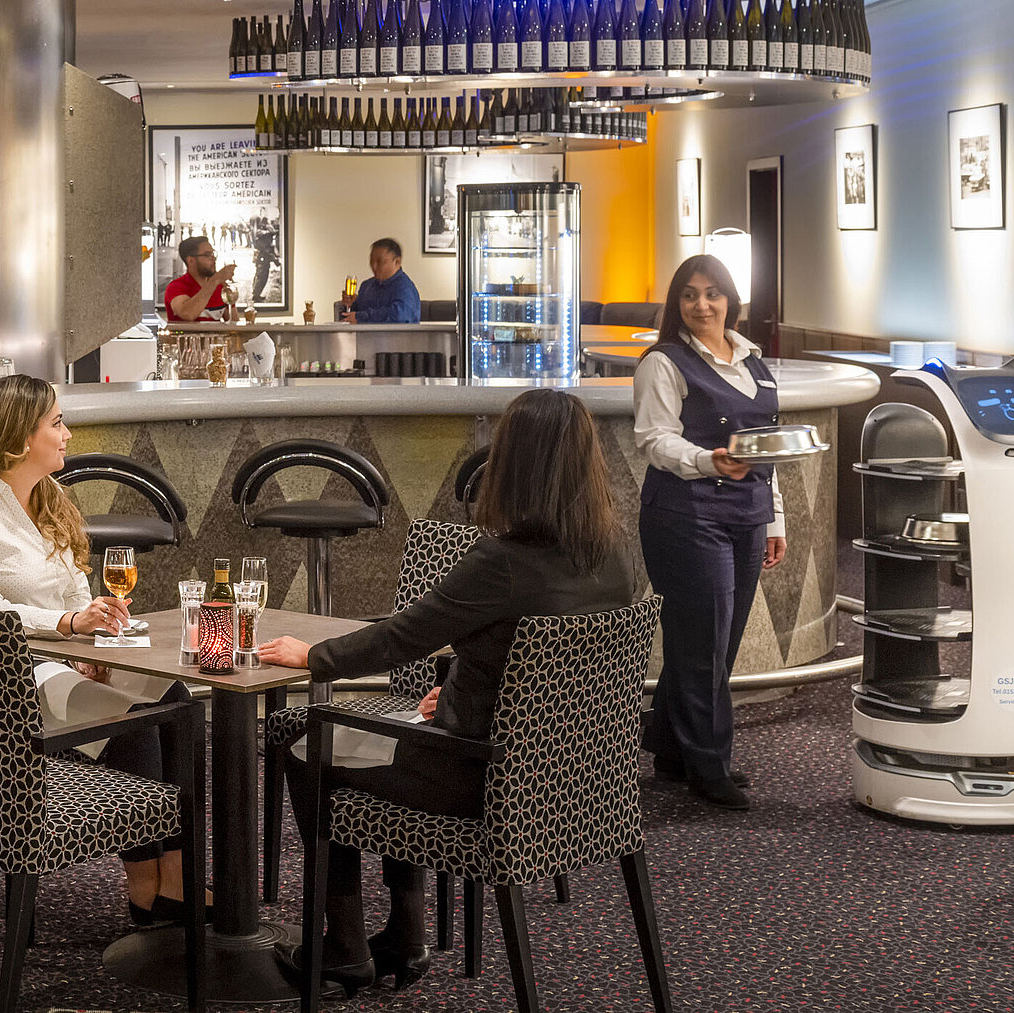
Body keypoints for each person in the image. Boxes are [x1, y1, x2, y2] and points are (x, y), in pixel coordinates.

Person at [256, 388, 635, 992]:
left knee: (307, 747)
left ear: (513, 464)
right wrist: (464, 697)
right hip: (573, 777)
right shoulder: (614, 555)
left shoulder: (503, 561)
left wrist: (315, 656)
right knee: (400, 733)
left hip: (482, 778)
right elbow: (546, 675)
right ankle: (403, 937)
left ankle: (346, 946)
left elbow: (404, 637)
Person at [0, 374, 206, 926]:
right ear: (19, 435)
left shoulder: (49, 496)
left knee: (177, 698)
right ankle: (144, 885)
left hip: (58, 661)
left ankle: (177, 877)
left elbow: (75, 586)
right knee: (138, 718)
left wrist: (91, 638)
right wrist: (67, 623)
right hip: (0, 683)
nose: (68, 433)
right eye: (56, 422)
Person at [633, 254, 785, 811]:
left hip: (746, 514)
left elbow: (766, 448)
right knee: (701, 643)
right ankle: (710, 765)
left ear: (731, 301)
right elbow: (653, 440)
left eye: (712, 293)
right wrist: (706, 460)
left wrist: (774, 518)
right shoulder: (663, 362)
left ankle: (673, 748)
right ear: (676, 302)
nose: (701, 305)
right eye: (690, 295)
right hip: (685, 514)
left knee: (720, 639)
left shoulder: (754, 361)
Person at [337, 238, 421, 324]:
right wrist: (349, 305)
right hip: (364, 337)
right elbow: (351, 318)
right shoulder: (367, 286)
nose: (374, 266)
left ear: (397, 262)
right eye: (371, 261)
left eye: (380, 262)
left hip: (396, 337)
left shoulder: (405, 288)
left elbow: (401, 317)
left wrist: (361, 317)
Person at [162, 235, 235, 322]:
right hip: (185, 335)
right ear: (191, 261)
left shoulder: (220, 287)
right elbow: (187, 314)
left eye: (213, 253)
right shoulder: (176, 287)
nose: (214, 258)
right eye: (208, 255)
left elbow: (234, 323)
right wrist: (215, 280)